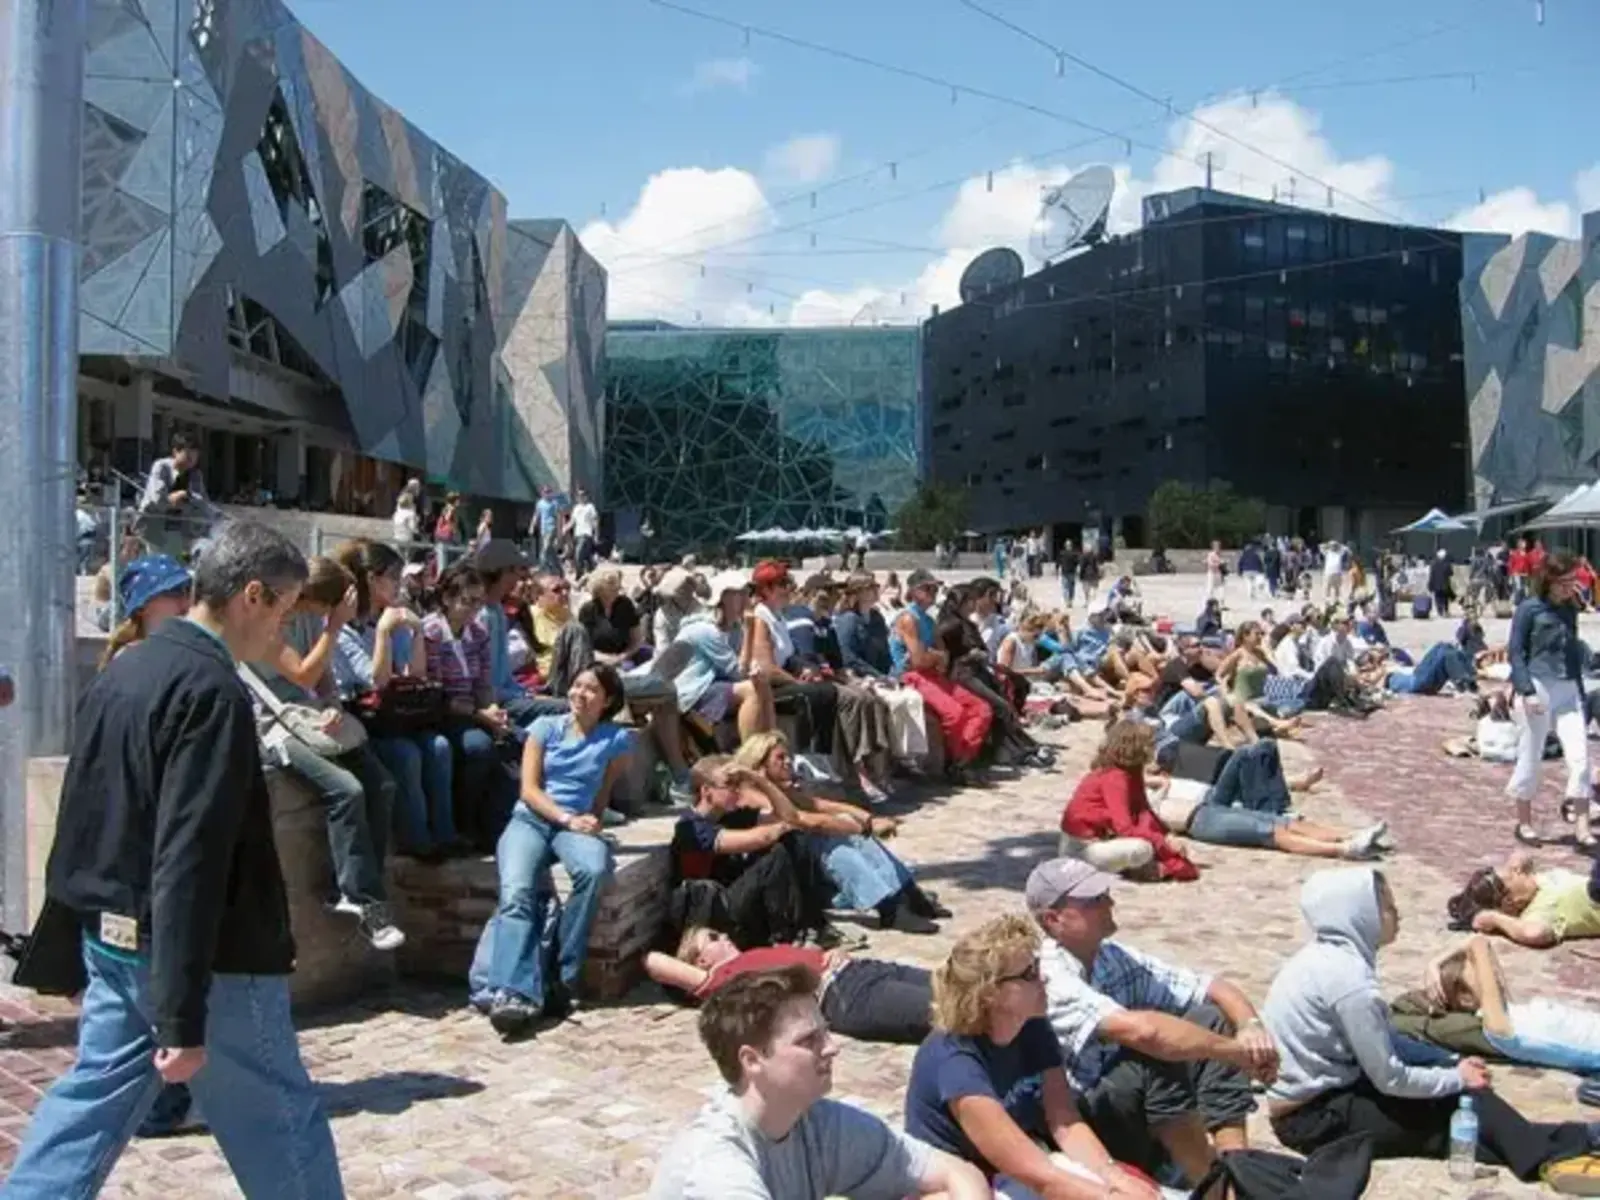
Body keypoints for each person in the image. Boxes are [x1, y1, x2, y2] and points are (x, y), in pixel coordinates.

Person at [4, 522, 346, 1199]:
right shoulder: (213, 692)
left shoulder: (128, 667)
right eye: (284, 609)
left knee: (88, 1109)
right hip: (207, 967)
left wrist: (72, 941)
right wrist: (184, 1021)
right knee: (282, 1124)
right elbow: (191, 854)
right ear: (252, 595)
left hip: (119, 942)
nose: (285, 631)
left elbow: (83, 817)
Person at [1261, 867, 1600, 1186]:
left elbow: (1386, 1038)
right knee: (1456, 1110)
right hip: (1315, 1118)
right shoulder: (1350, 983)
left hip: (1325, 1096)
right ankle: (1558, 1148)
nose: (1398, 913)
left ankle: (1552, 1149)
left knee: (1456, 1120)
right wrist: (1456, 1079)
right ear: (1361, 916)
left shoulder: (1325, 958)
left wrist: (1445, 1061)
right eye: (1389, 907)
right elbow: (1390, 1077)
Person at [1025, 859, 1277, 1188]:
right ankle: (1215, 1187)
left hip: (1121, 1102)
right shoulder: (1051, 974)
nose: (1110, 903)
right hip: (1079, 1121)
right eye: (1094, 900)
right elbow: (1143, 1031)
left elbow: (1212, 987)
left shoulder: (1110, 956)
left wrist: (1250, 1027)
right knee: (1152, 1057)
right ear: (1053, 919)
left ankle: (1236, 1163)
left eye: (1106, 894)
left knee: (1211, 1018)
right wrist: (1236, 1053)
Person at [649, 966, 988, 1200]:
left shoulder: (816, 1122)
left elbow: (957, 1171)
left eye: (825, 1032)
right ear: (752, 1061)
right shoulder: (717, 1162)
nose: (832, 1047)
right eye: (809, 1040)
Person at [903, 915, 1160, 1200]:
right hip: (954, 1183)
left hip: (1010, 1172)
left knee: (1138, 1185)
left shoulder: (1032, 1026)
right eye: (1030, 973)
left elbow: (1063, 1120)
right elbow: (1035, 1173)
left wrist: (1112, 1175)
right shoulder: (956, 1062)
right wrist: (1110, 1197)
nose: (1044, 977)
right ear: (992, 994)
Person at [469, 665, 632, 1038]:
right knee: (517, 893)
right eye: (576, 686)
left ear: (607, 700)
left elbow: (603, 789)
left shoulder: (616, 739)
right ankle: (513, 991)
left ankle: (563, 975)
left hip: (575, 823)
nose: (579, 694)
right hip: (532, 819)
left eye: (590, 689)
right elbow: (528, 789)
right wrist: (565, 818)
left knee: (592, 872)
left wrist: (591, 820)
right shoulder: (544, 729)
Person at [252, 555, 403, 950]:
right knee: (346, 790)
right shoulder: (267, 622)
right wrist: (334, 629)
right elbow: (300, 671)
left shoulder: (315, 621)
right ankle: (362, 898)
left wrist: (333, 703)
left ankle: (364, 879)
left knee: (381, 785)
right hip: (273, 725)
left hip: (311, 716)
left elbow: (322, 679)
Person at [732, 731, 944, 934]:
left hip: (808, 867)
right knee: (830, 839)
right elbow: (806, 820)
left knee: (843, 825)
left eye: (788, 756)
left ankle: (907, 893)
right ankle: (888, 908)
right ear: (759, 763)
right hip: (788, 874)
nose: (788, 762)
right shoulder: (752, 796)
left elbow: (822, 805)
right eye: (780, 757)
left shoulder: (780, 791)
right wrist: (864, 827)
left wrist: (869, 819)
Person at [331, 539, 463, 860]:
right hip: (364, 717)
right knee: (405, 755)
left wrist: (415, 632)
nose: (399, 584)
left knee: (440, 747)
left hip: (398, 713)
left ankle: (445, 834)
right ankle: (417, 840)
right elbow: (375, 679)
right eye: (393, 576)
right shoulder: (346, 629)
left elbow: (414, 673)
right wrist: (382, 635)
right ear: (372, 580)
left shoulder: (393, 619)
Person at [646, 927, 933, 1044]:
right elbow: (653, 961)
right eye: (712, 937)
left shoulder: (752, 956)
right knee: (950, 1010)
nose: (723, 935)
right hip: (844, 994)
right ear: (702, 961)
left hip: (863, 969)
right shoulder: (724, 982)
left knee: (960, 985)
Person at [1393, 934, 1600, 1074]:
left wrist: (1435, 962)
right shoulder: (1498, 1030)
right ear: (1465, 999)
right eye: (1481, 971)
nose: (1490, 971)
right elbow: (1478, 943)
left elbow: (1480, 942)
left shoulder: (1507, 1013)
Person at [421, 566, 520, 848]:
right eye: (468, 601)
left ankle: (497, 824)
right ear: (448, 599)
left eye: (479, 602)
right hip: (443, 713)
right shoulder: (431, 632)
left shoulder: (477, 633)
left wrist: (493, 711)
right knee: (478, 747)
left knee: (519, 739)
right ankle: (466, 823)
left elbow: (484, 682)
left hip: (474, 712)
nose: (475, 609)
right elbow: (435, 691)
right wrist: (481, 716)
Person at [1506, 550, 1591, 846]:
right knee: (1531, 753)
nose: (1571, 586)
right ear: (1549, 581)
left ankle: (1582, 827)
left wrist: (1581, 691)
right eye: (1565, 581)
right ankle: (1524, 822)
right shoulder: (1530, 609)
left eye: (1573, 580)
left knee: (1580, 757)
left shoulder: (1571, 608)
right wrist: (1525, 690)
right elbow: (1515, 652)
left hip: (1568, 688)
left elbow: (1573, 651)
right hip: (1539, 684)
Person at [889, 570, 993, 772]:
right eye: (927, 588)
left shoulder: (928, 620)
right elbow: (919, 661)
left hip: (931, 675)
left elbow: (942, 658)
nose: (933, 592)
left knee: (982, 709)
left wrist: (934, 656)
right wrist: (935, 656)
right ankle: (956, 764)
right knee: (955, 714)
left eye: (935, 588)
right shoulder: (908, 619)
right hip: (910, 676)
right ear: (913, 591)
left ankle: (962, 760)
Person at [1446, 852, 1600, 947]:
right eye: (1508, 882)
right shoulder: (1538, 910)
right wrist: (1494, 918)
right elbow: (1533, 933)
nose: (1514, 872)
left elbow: (1521, 856)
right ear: (1509, 904)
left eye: (1512, 872)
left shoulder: (1536, 879)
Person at [99, 554, 194, 670]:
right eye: (174, 592)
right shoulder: (131, 661)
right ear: (141, 608)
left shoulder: (188, 652)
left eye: (187, 591)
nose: (186, 602)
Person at [138, 431, 214, 557]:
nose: (193, 458)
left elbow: (202, 503)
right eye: (188, 453)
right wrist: (183, 500)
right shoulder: (161, 467)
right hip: (154, 528)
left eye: (196, 454)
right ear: (175, 452)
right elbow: (158, 499)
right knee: (159, 564)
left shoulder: (195, 475)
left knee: (182, 564)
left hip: (181, 530)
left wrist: (183, 497)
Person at [530, 484, 562, 571]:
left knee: (545, 548)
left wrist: (559, 532)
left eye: (549, 491)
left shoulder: (554, 503)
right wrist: (532, 526)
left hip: (552, 528)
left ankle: (541, 566)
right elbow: (536, 515)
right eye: (545, 492)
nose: (547, 493)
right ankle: (559, 569)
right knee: (551, 551)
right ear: (542, 493)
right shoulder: (540, 503)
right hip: (543, 530)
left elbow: (559, 518)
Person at [569, 486, 600, 576]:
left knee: (578, 555)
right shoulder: (576, 508)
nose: (580, 497)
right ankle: (592, 573)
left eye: (582, 495)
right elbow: (572, 521)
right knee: (586, 557)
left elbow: (595, 521)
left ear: (586, 496)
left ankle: (579, 576)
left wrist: (596, 535)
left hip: (586, 534)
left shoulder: (590, 507)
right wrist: (564, 528)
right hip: (577, 535)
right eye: (579, 495)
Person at [391, 479, 421, 544]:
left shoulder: (405, 494)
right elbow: (412, 526)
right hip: (406, 533)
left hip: (398, 529)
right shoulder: (408, 495)